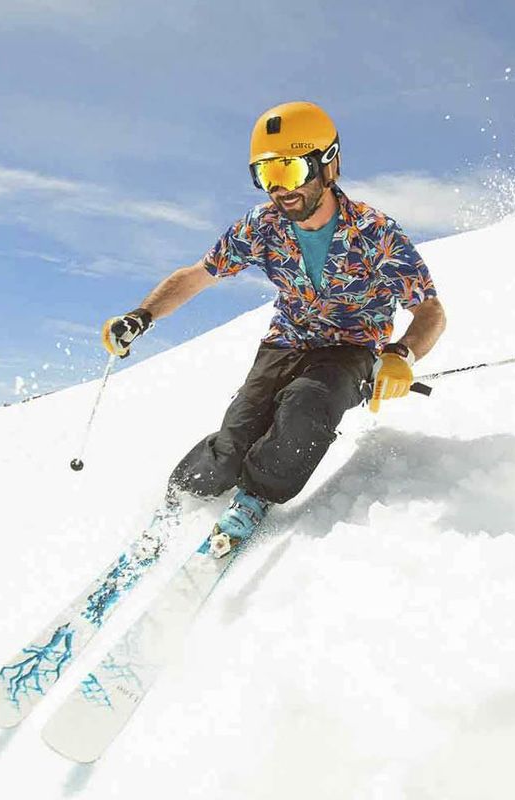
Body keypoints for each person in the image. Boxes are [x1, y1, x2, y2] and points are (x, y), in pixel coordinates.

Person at [101, 101, 446, 556]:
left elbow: (430, 311)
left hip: (349, 347)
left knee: (305, 406)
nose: (279, 189)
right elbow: (198, 275)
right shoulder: (262, 226)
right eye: (266, 175)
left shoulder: (374, 232)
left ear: (328, 165)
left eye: (289, 170)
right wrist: (141, 316)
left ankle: (256, 494)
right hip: (286, 341)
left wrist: (401, 355)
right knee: (236, 437)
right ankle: (187, 495)